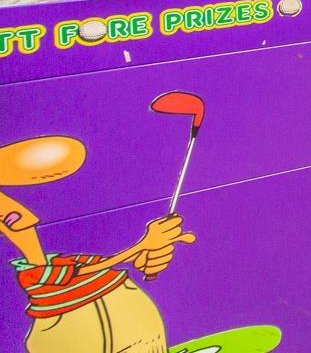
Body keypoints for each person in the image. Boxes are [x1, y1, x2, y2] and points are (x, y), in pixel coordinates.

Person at [0, 135, 193, 353]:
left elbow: (93, 265)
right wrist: (142, 246)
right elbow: (79, 273)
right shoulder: (33, 275)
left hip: (118, 309)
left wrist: (141, 253)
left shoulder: (54, 261)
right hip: (82, 323)